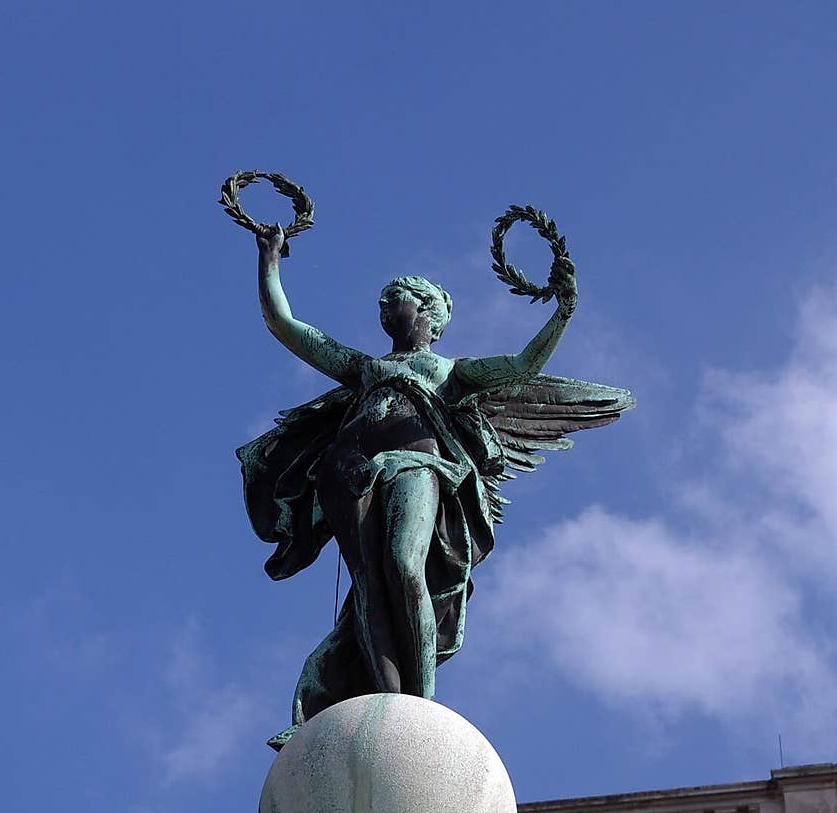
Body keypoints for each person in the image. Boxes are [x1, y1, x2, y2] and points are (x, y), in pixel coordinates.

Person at [238, 225, 632, 742]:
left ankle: (419, 708)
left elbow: (522, 366)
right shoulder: (365, 367)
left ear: (425, 308)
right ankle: (387, 696)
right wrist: (270, 259)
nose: (382, 307)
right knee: (368, 588)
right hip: (349, 475)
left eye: (392, 298)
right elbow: (285, 323)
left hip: (416, 467)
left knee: (404, 564)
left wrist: (562, 312)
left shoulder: (449, 371)